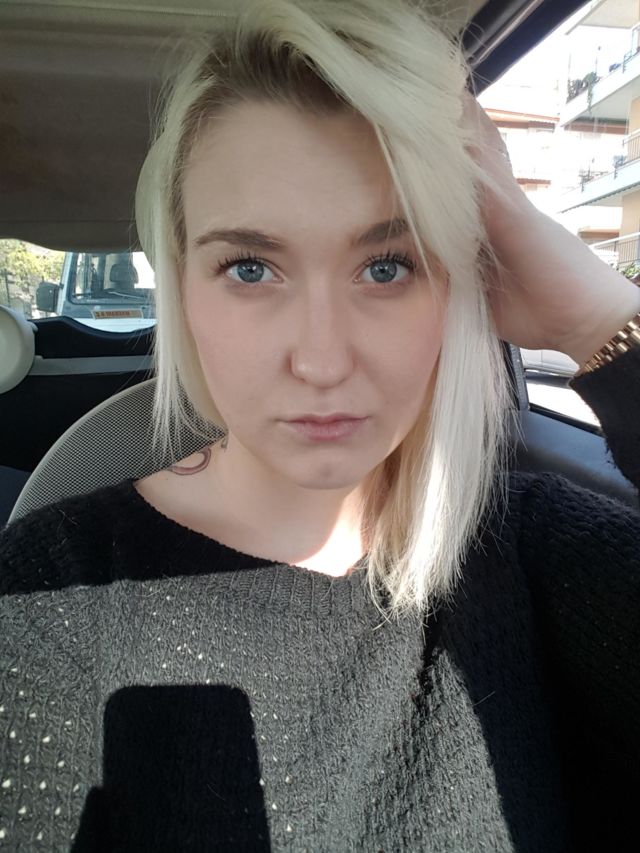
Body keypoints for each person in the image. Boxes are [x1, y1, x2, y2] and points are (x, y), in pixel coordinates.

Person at [1, 1, 639, 850]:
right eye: (250, 268)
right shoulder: (54, 592)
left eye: (388, 265)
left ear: (457, 281)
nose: (323, 360)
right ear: (182, 286)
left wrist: (597, 320)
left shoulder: (532, 550)